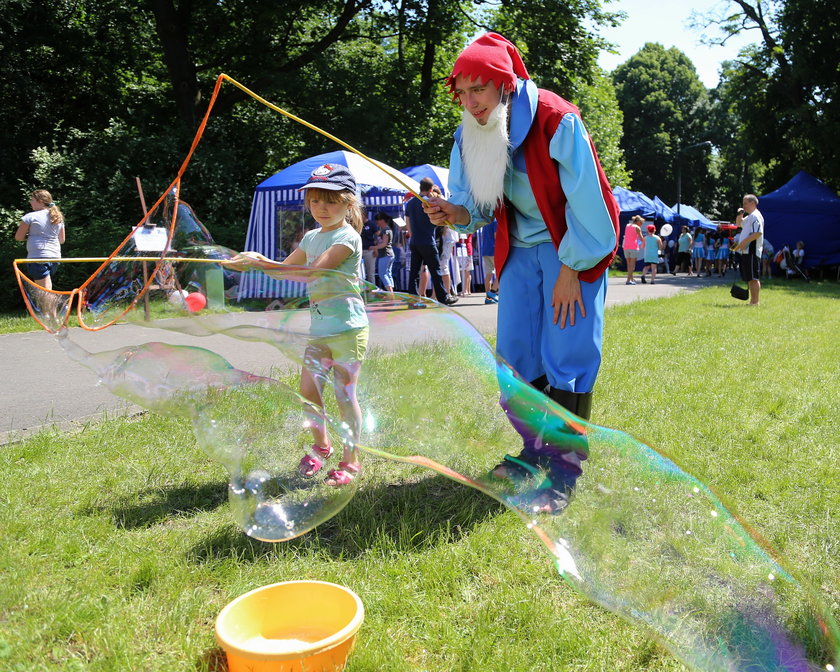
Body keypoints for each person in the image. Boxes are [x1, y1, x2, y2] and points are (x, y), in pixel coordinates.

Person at [423, 33, 619, 513]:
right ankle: (534, 452)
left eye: (479, 92)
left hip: (570, 243)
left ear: (504, 86)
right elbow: (476, 207)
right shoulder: (467, 132)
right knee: (515, 353)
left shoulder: (557, 119)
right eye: (462, 94)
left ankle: (564, 468)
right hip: (519, 251)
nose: (470, 104)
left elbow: (589, 205)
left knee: (565, 352)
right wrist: (454, 212)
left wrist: (572, 268)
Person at [227, 164, 368, 486]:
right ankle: (321, 446)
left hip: (348, 328)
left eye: (330, 201)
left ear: (348, 204)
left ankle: (352, 460)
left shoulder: (347, 237)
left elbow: (311, 273)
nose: (321, 208)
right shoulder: (311, 236)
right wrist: (251, 261)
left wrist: (260, 262)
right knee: (308, 391)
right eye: (315, 201)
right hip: (320, 328)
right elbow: (282, 270)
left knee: (344, 395)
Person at [404, 176, 458, 306]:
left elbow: (407, 222)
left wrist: (412, 234)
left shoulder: (410, 203)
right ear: (430, 189)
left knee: (414, 272)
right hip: (428, 241)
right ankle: (443, 297)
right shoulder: (429, 203)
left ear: (420, 187)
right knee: (436, 271)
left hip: (414, 241)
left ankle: (413, 300)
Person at [15, 189, 66, 290]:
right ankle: (48, 306)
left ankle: (54, 306)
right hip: (55, 257)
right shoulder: (57, 217)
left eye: (32, 200)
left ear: (40, 201)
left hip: (38, 257)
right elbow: (61, 240)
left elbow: (18, 237)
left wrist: (29, 236)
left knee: (45, 290)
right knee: (44, 288)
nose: (30, 202)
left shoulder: (30, 217)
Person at [734, 194, 764, 305]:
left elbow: (758, 232)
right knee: (750, 277)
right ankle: (752, 301)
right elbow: (738, 224)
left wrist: (744, 242)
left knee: (754, 277)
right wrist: (740, 214)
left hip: (752, 250)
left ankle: (755, 302)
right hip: (746, 251)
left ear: (753, 203)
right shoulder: (750, 216)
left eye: (745, 203)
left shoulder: (755, 216)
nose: (743, 206)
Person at [373, 211, 396, 299]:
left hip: (385, 254)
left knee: (383, 274)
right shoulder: (387, 229)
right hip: (389, 255)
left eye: (377, 221)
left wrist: (374, 247)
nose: (377, 223)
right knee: (388, 274)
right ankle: (391, 294)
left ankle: (390, 294)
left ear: (382, 220)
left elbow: (384, 244)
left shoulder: (386, 230)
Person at [480, 219, 499, 303]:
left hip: (485, 249)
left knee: (488, 273)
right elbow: (496, 235)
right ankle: (493, 292)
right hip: (494, 249)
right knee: (501, 272)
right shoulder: (495, 222)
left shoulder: (485, 222)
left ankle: (488, 298)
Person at [622, 215, 644, 285]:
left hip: (626, 247)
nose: (641, 225)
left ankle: (631, 279)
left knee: (629, 265)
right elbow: (641, 238)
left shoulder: (627, 225)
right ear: (638, 222)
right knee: (632, 265)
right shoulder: (637, 228)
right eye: (641, 223)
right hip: (633, 247)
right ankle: (628, 280)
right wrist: (646, 241)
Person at [360, 214, 378, 285]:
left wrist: (376, 248)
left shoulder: (371, 224)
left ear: (364, 215)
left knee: (370, 273)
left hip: (369, 251)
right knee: (360, 273)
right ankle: (362, 292)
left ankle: (372, 293)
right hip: (360, 251)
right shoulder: (357, 224)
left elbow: (378, 236)